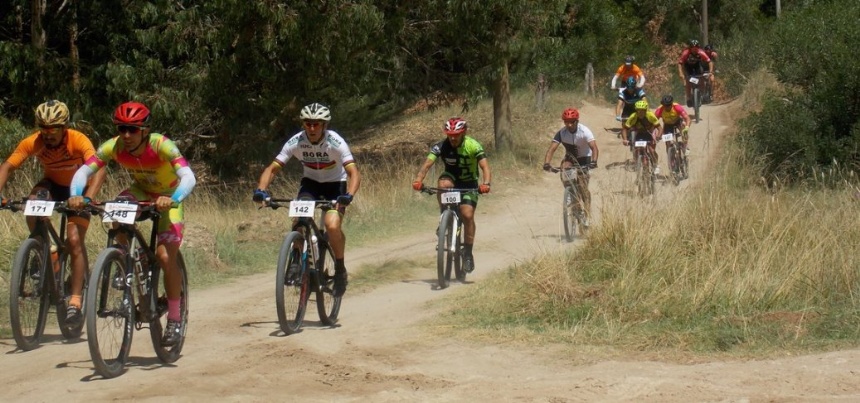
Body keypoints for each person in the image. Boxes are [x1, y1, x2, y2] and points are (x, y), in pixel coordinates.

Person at [68, 101, 197, 346]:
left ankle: (175, 319)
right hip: (140, 192)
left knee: (166, 256)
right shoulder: (113, 146)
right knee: (114, 211)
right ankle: (125, 259)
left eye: (133, 129)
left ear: (145, 130)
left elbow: (188, 177)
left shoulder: (161, 145)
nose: (126, 135)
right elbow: (84, 171)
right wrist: (77, 194)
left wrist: (174, 199)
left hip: (168, 198)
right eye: (121, 128)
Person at [0, 100, 105, 328]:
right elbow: (7, 166)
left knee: (75, 240)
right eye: (43, 129)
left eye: (54, 129)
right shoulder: (34, 142)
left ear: (64, 127)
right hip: (54, 185)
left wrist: (87, 198)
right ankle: (46, 251)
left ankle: (75, 302)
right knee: (32, 202)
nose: (48, 134)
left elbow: (99, 167)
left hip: (79, 190)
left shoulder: (77, 140)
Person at [253, 102, 360, 298]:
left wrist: (348, 196)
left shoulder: (336, 142)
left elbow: (354, 173)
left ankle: (340, 269)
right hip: (310, 184)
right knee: (299, 221)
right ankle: (295, 261)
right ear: (303, 124)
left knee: (332, 225)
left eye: (316, 124)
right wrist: (261, 190)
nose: (312, 128)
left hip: (336, 185)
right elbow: (273, 168)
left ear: (324, 125)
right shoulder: (296, 141)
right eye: (308, 123)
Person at [412, 117, 491, 273]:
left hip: (469, 183)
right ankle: (444, 217)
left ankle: (468, 254)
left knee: (467, 215)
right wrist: (418, 180)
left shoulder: (473, 146)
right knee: (442, 184)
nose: (453, 138)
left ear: (464, 133)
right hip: (452, 179)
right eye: (450, 134)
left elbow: (485, 167)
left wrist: (486, 184)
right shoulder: (441, 146)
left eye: (457, 134)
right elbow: (427, 165)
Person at [542, 108, 599, 226]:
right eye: (566, 121)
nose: (569, 124)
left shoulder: (585, 131)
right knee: (564, 167)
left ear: (576, 121)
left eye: (572, 121)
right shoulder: (562, 133)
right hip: (570, 158)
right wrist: (547, 163)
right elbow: (552, 149)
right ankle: (569, 192)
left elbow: (594, 148)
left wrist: (594, 161)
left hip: (584, 159)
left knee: (583, 188)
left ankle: (587, 214)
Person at [622, 100, 662, 175]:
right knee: (636, 149)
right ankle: (638, 162)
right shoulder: (633, 117)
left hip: (650, 132)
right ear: (636, 110)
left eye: (642, 111)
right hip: (639, 133)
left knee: (651, 150)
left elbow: (660, 128)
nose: (640, 113)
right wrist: (625, 139)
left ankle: (656, 165)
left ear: (645, 110)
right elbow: (624, 129)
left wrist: (658, 137)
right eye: (638, 111)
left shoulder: (650, 115)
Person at [677, 39, 714, 108]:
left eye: (696, 48)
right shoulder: (686, 53)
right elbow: (680, 63)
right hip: (688, 67)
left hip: (697, 66)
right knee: (688, 81)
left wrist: (710, 72)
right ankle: (688, 98)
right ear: (690, 48)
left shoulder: (701, 52)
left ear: (698, 48)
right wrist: (680, 73)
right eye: (693, 48)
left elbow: (710, 62)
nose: (694, 50)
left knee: (702, 77)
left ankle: (702, 95)